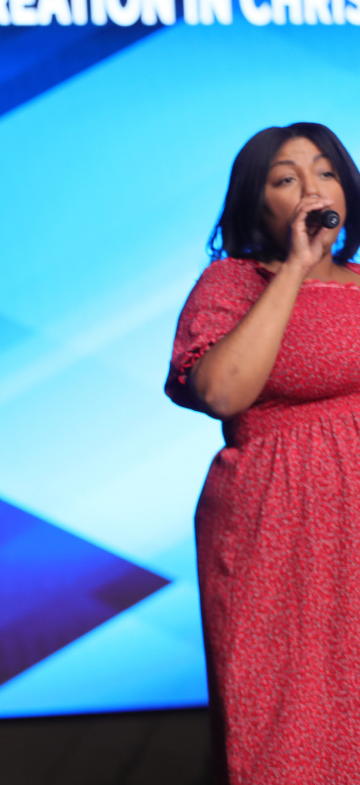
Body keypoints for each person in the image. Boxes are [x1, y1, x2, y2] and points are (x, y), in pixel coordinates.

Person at [165, 123, 360, 784]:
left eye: (326, 172)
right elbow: (221, 392)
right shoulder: (231, 284)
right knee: (288, 728)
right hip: (279, 529)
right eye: (286, 178)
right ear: (256, 203)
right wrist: (297, 269)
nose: (312, 188)